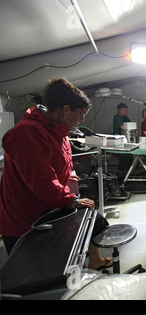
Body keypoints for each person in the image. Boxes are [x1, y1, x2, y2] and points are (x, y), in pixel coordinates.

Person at [0, 78, 112, 270]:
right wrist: (71, 200)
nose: (82, 120)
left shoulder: (55, 130)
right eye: (81, 114)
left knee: (93, 220)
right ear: (66, 109)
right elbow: (42, 182)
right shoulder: (28, 133)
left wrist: (65, 176)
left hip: (43, 205)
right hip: (25, 220)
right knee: (36, 277)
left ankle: (93, 261)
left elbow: (50, 164)